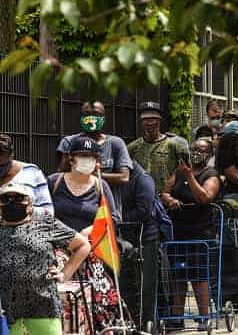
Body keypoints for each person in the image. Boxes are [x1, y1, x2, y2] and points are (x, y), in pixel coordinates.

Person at [47, 136, 122, 331]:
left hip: (91, 251)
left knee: (102, 300)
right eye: (82, 156)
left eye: (90, 156)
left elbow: (111, 219)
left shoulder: (100, 186)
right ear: (71, 159)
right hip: (58, 250)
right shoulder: (54, 182)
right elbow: (42, 215)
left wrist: (87, 232)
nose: (86, 160)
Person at [0, 183, 90, 335]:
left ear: (30, 204)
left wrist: (64, 274)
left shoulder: (45, 222)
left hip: (43, 306)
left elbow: (83, 245)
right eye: (5, 199)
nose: (12, 203)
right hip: (7, 311)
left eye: (18, 198)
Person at [161, 137, 221, 331]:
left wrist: (189, 177)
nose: (196, 152)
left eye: (202, 150)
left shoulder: (211, 174)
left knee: (198, 276)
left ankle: (204, 316)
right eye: (194, 148)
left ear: (209, 155)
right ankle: (176, 317)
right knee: (178, 275)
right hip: (179, 231)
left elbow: (204, 197)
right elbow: (164, 191)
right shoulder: (178, 172)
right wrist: (170, 200)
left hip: (201, 232)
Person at [56, 101, 132, 216]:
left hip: (106, 212)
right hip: (71, 210)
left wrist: (89, 174)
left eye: (96, 114)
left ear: (103, 118)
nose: (91, 118)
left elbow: (124, 177)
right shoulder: (69, 142)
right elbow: (61, 174)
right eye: (87, 114)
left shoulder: (115, 143)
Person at [119, 161, 163, 332]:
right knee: (126, 283)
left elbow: (144, 211)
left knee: (146, 284)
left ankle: (146, 322)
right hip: (123, 238)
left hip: (144, 238)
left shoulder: (142, 180)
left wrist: (119, 217)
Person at [127, 102, 190, 194]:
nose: (150, 123)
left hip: (168, 199)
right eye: (146, 119)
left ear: (160, 120)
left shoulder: (174, 144)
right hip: (142, 197)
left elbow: (185, 172)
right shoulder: (133, 147)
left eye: (154, 118)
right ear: (141, 121)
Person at [0, 133, 53, 216]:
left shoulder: (31, 172)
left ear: (11, 155)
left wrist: (26, 209)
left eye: (2, 165)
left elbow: (48, 212)